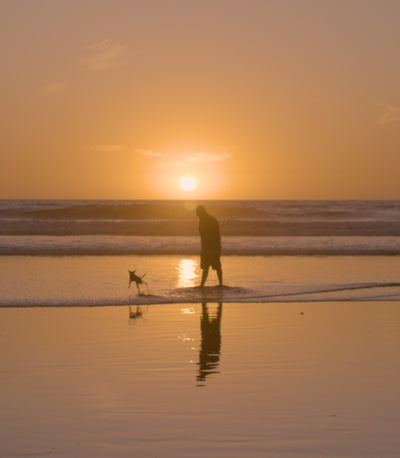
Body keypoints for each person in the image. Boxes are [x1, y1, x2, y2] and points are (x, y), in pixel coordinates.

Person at [196, 205, 223, 287]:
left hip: (213, 246)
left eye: (198, 213)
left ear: (202, 212)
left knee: (216, 265)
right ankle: (202, 284)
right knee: (205, 266)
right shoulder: (202, 220)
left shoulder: (211, 220)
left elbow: (216, 235)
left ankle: (220, 283)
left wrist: (215, 248)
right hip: (205, 246)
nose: (197, 215)